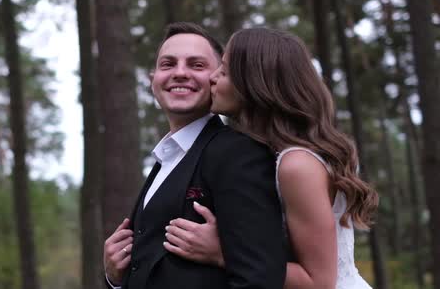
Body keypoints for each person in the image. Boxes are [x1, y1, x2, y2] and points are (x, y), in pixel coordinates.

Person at [163, 27, 379, 289]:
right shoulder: (270, 154)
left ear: (255, 84)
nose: (213, 77)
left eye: (226, 70)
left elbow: (320, 282)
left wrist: (223, 253)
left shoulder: (297, 165)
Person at [103, 22, 286, 289]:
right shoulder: (165, 159)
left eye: (196, 65)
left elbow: (259, 279)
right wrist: (114, 278)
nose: (179, 73)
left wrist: (227, 255)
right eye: (168, 64)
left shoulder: (239, 154)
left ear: (218, 78)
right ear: (153, 78)